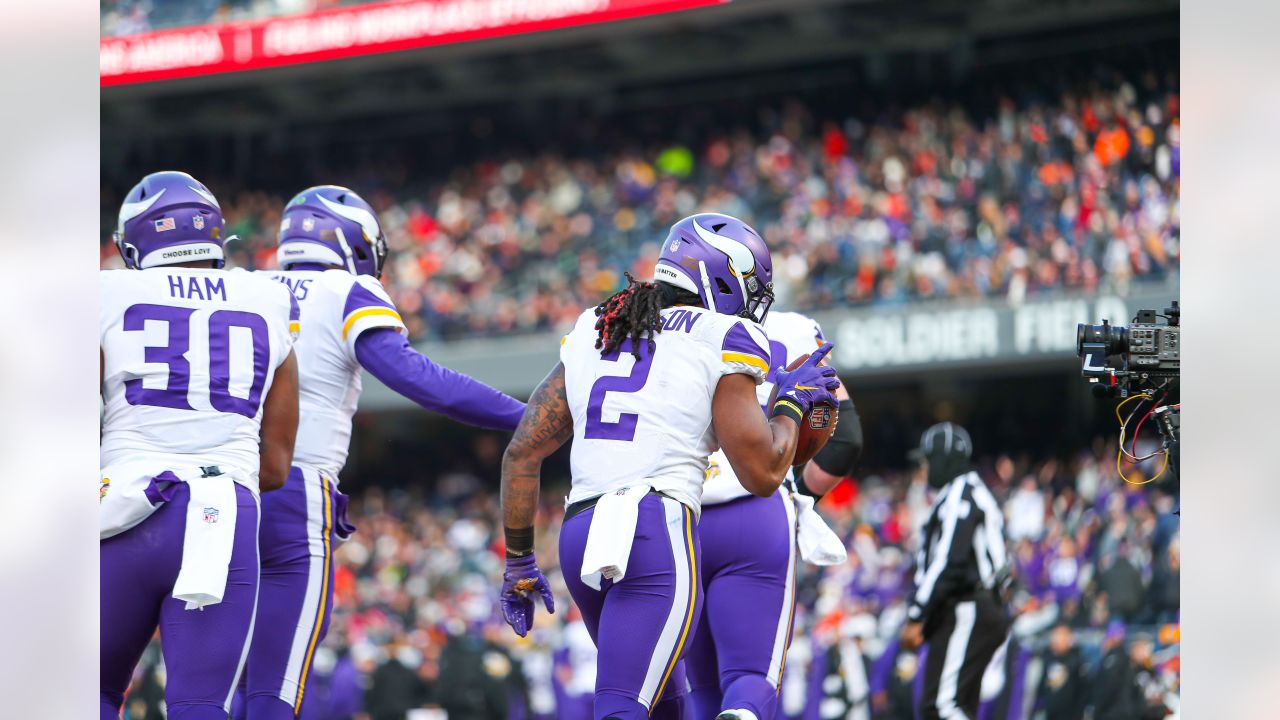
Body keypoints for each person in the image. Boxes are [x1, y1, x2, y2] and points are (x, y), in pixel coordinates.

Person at [497, 213, 840, 720]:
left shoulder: (599, 323)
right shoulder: (724, 334)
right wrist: (791, 405)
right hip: (654, 530)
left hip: (581, 534)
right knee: (625, 706)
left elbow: (521, 453)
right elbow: (763, 474)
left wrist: (521, 562)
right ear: (722, 278)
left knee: (665, 704)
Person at [237, 185, 526, 719]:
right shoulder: (345, 291)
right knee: (273, 684)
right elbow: (419, 379)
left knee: (216, 680)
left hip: (214, 489)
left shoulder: (238, 287)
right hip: (291, 488)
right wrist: (524, 416)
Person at [100, 171, 300, 720]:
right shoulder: (268, 296)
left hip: (123, 503)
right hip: (224, 508)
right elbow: (278, 466)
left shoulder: (102, 292)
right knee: (199, 705)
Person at [685, 309, 863, 720]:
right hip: (756, 510)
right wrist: (795, 494)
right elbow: (847, 438)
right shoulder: (793, 329)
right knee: (749, 678)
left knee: (702, 688)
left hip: (679, 513)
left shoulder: (667, 328)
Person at [900, 422, 1011, 720]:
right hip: (977, 607)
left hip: (969, 607)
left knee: (942, 706)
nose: (924, 467)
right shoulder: (964, 492)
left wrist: (917, 614)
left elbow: (949, 561)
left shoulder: (961, 494)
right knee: (957, 706)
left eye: (928, 458)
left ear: (944, 458)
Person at [1034, 623, 1088, 720]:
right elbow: (1042, 687)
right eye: (1055, 635)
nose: (1057, 639)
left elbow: (1083, 694)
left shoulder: (1077, 662)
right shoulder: (1047, 658)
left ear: (1069, 639)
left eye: (1061, 636)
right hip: (1049, 713)